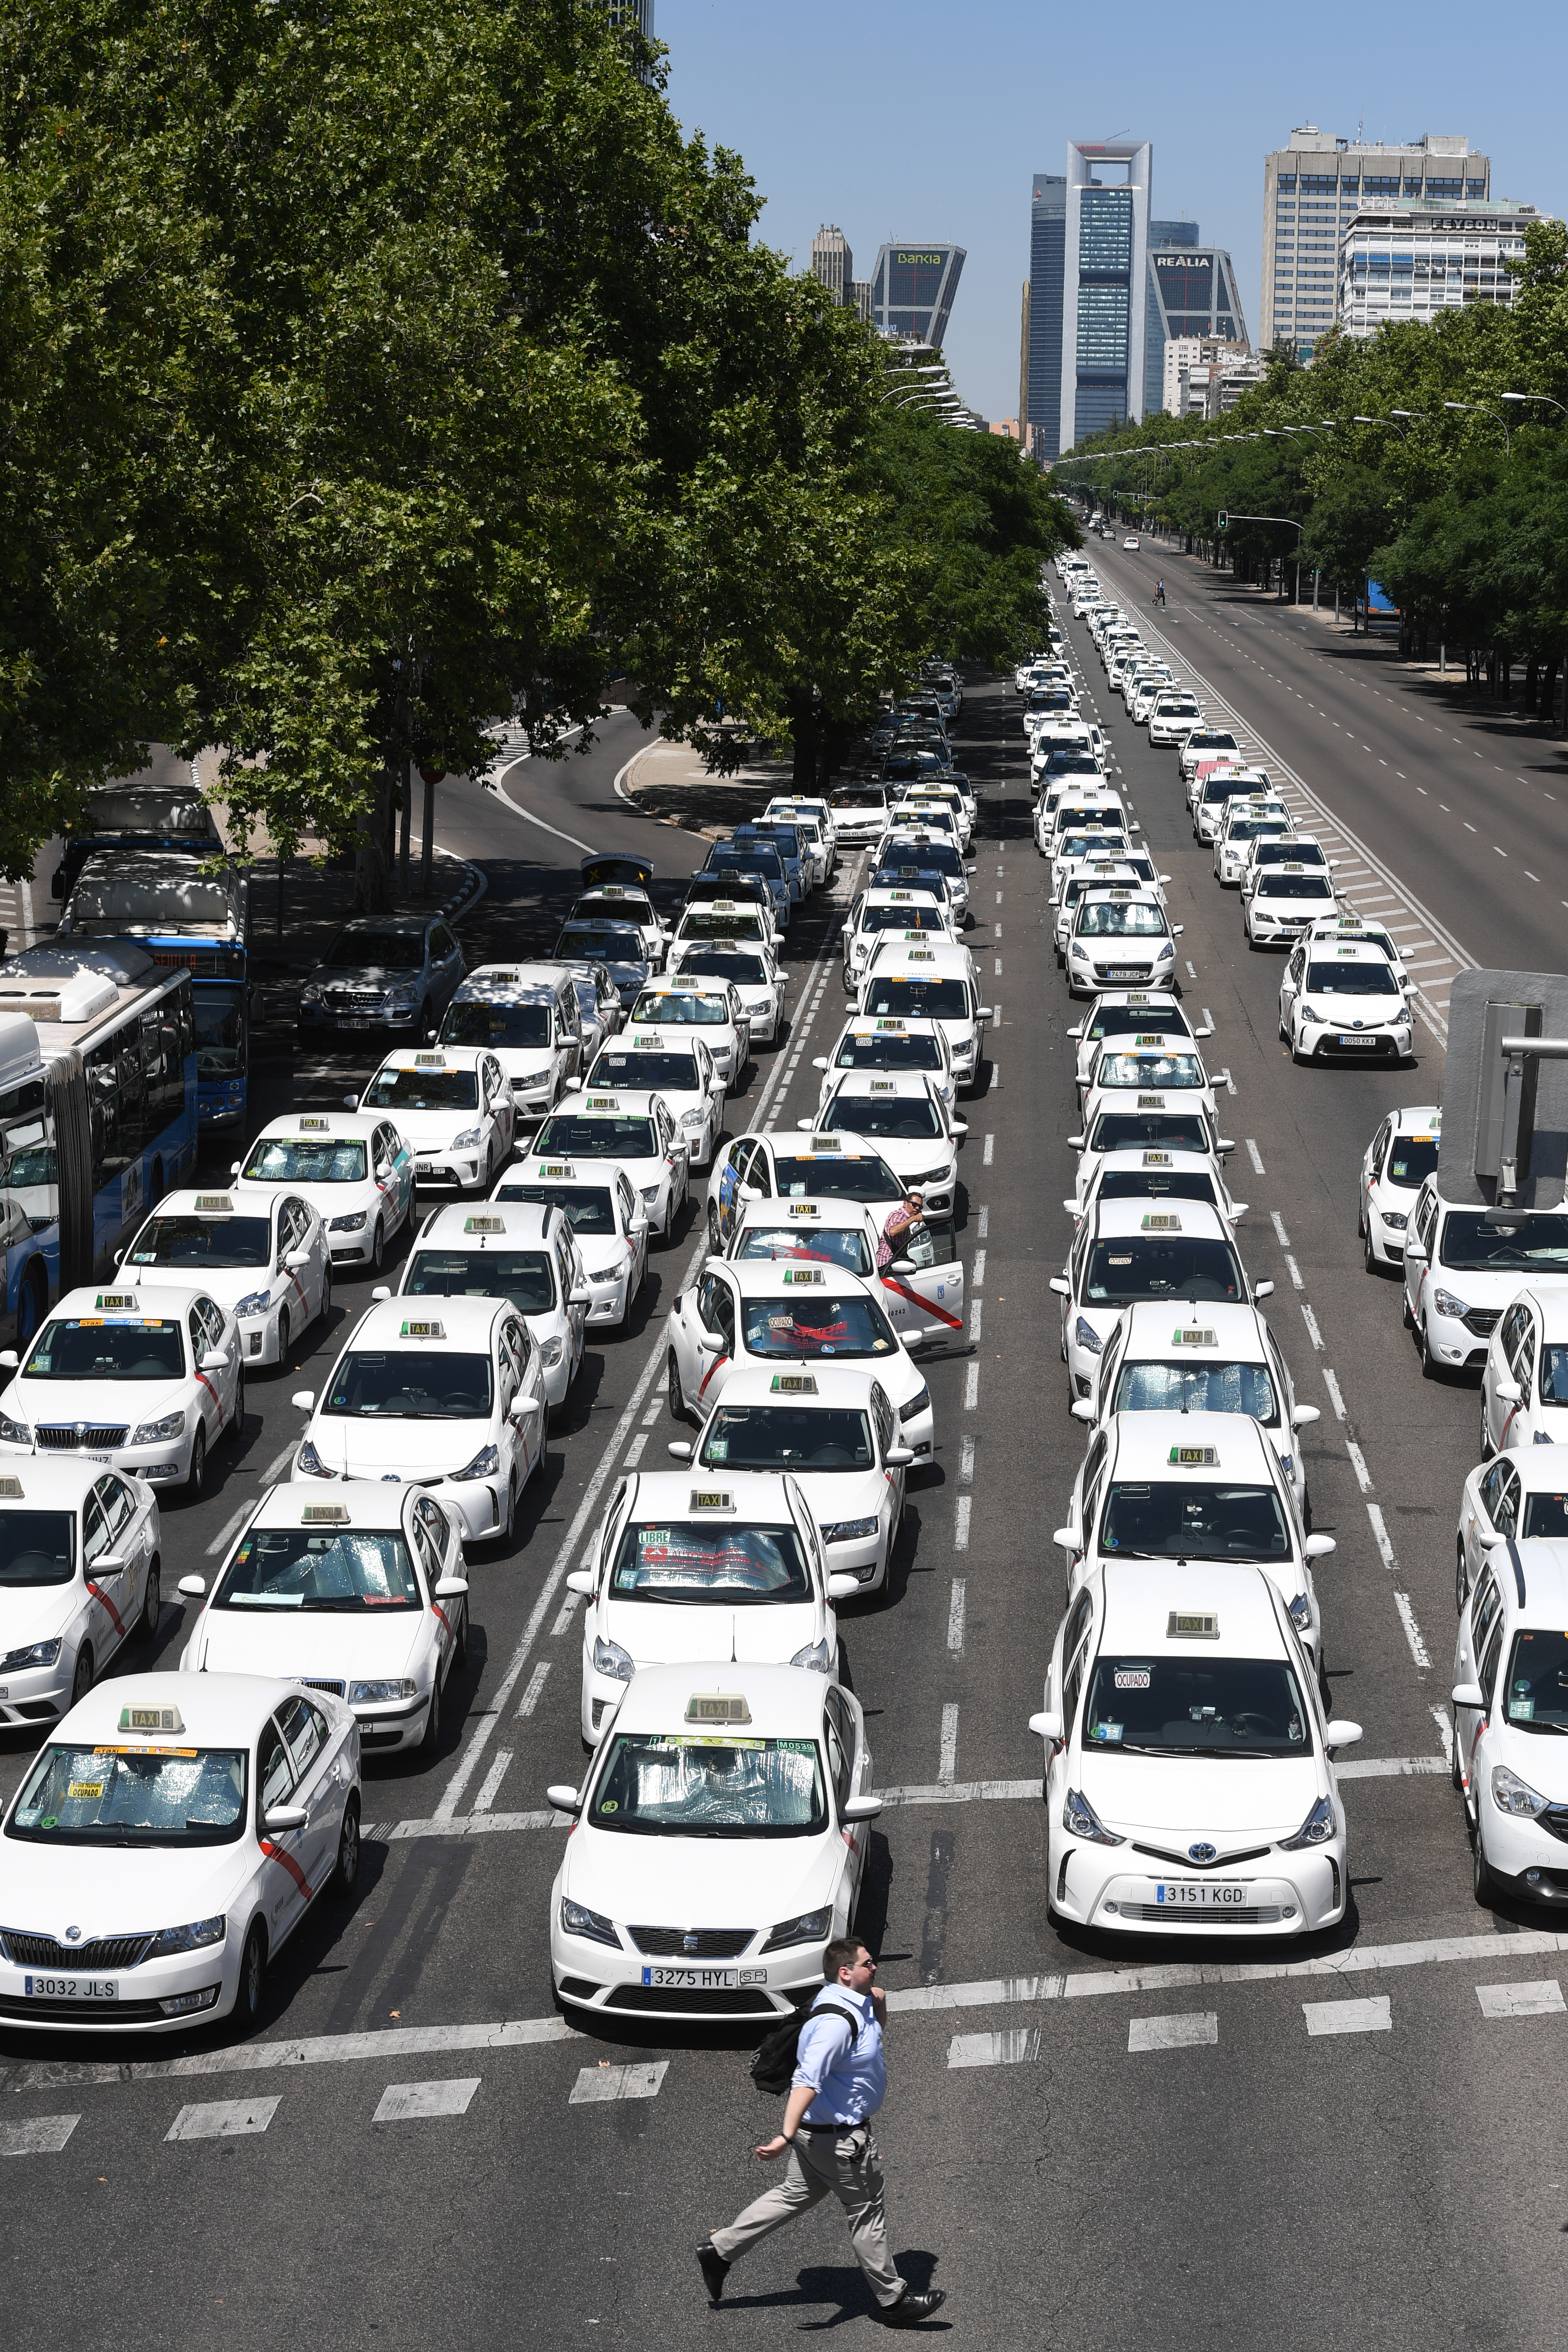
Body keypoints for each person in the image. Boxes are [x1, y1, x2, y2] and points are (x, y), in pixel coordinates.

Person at [696, 1939, 944, 2327]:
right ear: (844, 1971)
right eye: (867, 1963)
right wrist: (784, 2134)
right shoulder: (833, 2023)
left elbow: (872, 2037)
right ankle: (892, 2301)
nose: (875, 1966)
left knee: (794, 2195)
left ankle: (720, 2249)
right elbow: (806, 2080)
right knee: (866, 2214)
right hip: (840, 2140)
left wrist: (877, 2001)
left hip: (819, 2136)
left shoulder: (850, 2001)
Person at [876, 1190, 926, 1271]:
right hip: (886, 1263)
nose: (917, 1208)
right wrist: (913, 1219)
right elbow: (893, 1232)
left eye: (920, 1207)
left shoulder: (906, 1219)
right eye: (915, 1205)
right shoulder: (900, 1215)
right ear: (905, 1204)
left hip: (893, 1261)